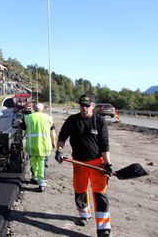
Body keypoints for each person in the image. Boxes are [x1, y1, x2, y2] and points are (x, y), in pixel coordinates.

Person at [55, 94, 112, 237]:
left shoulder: (100, 121)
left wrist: (107, 164)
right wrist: (59, 150)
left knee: (100, 194)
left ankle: (104, 228)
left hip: (97, 163)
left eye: (87, 105)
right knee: (80, 190)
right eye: (82, 105)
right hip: (78, 163)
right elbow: (62, 137)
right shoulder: (72, 120)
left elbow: (105, 145)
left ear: (93, 105)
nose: (84, 108)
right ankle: (84, 215)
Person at [19, 103, 56, 192]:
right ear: (42, 109)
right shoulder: (49, 118)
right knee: (42, 164)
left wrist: (19, 123)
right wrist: (53, 142)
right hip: (44, 146)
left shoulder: (28, 118)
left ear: (33, 109)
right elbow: (53, 132)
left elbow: (22, 127)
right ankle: (41, 183)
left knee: (33, 162)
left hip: (32, 146)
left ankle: (34, 178)